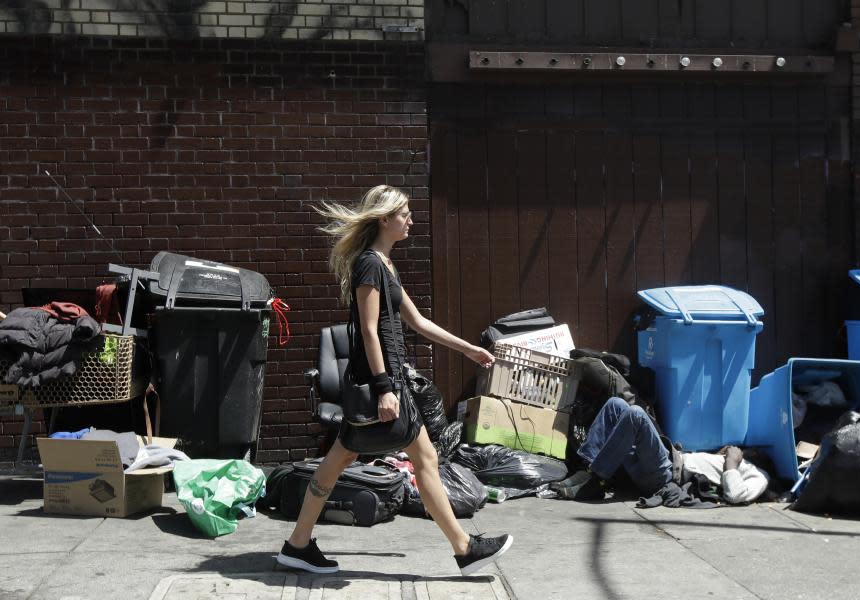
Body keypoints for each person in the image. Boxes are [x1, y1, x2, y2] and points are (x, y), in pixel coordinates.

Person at [277, 185, 513, 575]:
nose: (411, 220)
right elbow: (369, 331)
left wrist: (467, 349)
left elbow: (418, 323)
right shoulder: (370, 264)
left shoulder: (385, 264)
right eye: (404, 213)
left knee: (344, 459)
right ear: (384, 219)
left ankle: (298, 544)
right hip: (382, 382)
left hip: (385, 378)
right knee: (423, 459)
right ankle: (464, 548)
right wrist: (386, 389)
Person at [553, 396, 770, 505]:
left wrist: (731, 463)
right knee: (615, 404)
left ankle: (596, 481)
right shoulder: (739, 457)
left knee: (636, 414)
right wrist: (719, 456)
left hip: (668, 475)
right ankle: (587, 470)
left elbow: (735, 495)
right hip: (668, 459)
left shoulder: (760, 477)